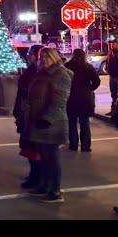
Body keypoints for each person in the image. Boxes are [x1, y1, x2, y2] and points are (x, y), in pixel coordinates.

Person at [26, 47, 73, 203]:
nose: (44, 60)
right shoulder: (42, 73)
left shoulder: (60, 74)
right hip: (38, 121)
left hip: (52, 123)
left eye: (47, 57)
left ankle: (55, 191)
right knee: (43, 158)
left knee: (51, 158)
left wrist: (47, 118)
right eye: (42, 57)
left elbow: (59, 101)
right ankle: (44, 185)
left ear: (54, 57)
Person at [13, 44, 43, 189]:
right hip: (26, 112)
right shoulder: (31, 70)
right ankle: (34, 175)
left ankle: (37, 177)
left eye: (31, 52)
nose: (28, 55)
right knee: (30, 148)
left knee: (34, 148)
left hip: (32, 113)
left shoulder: (37, 72)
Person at [64, 49, 100, 152]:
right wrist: (89, 89)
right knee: (84, 122)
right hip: (85, 98)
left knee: (72, 122)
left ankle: (73, 145)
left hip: (71, 98)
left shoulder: (67, 66)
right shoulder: (88, 67)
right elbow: (96, 81)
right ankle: (85, 146)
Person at [107, 42, 118, 116]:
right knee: (113, 94)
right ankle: (113, 111)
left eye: (115, 44)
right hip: (112, 76)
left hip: (116, 76)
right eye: (112, 44)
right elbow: (108, 62)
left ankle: (115, 112)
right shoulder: (110, 53)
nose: (113, 46)